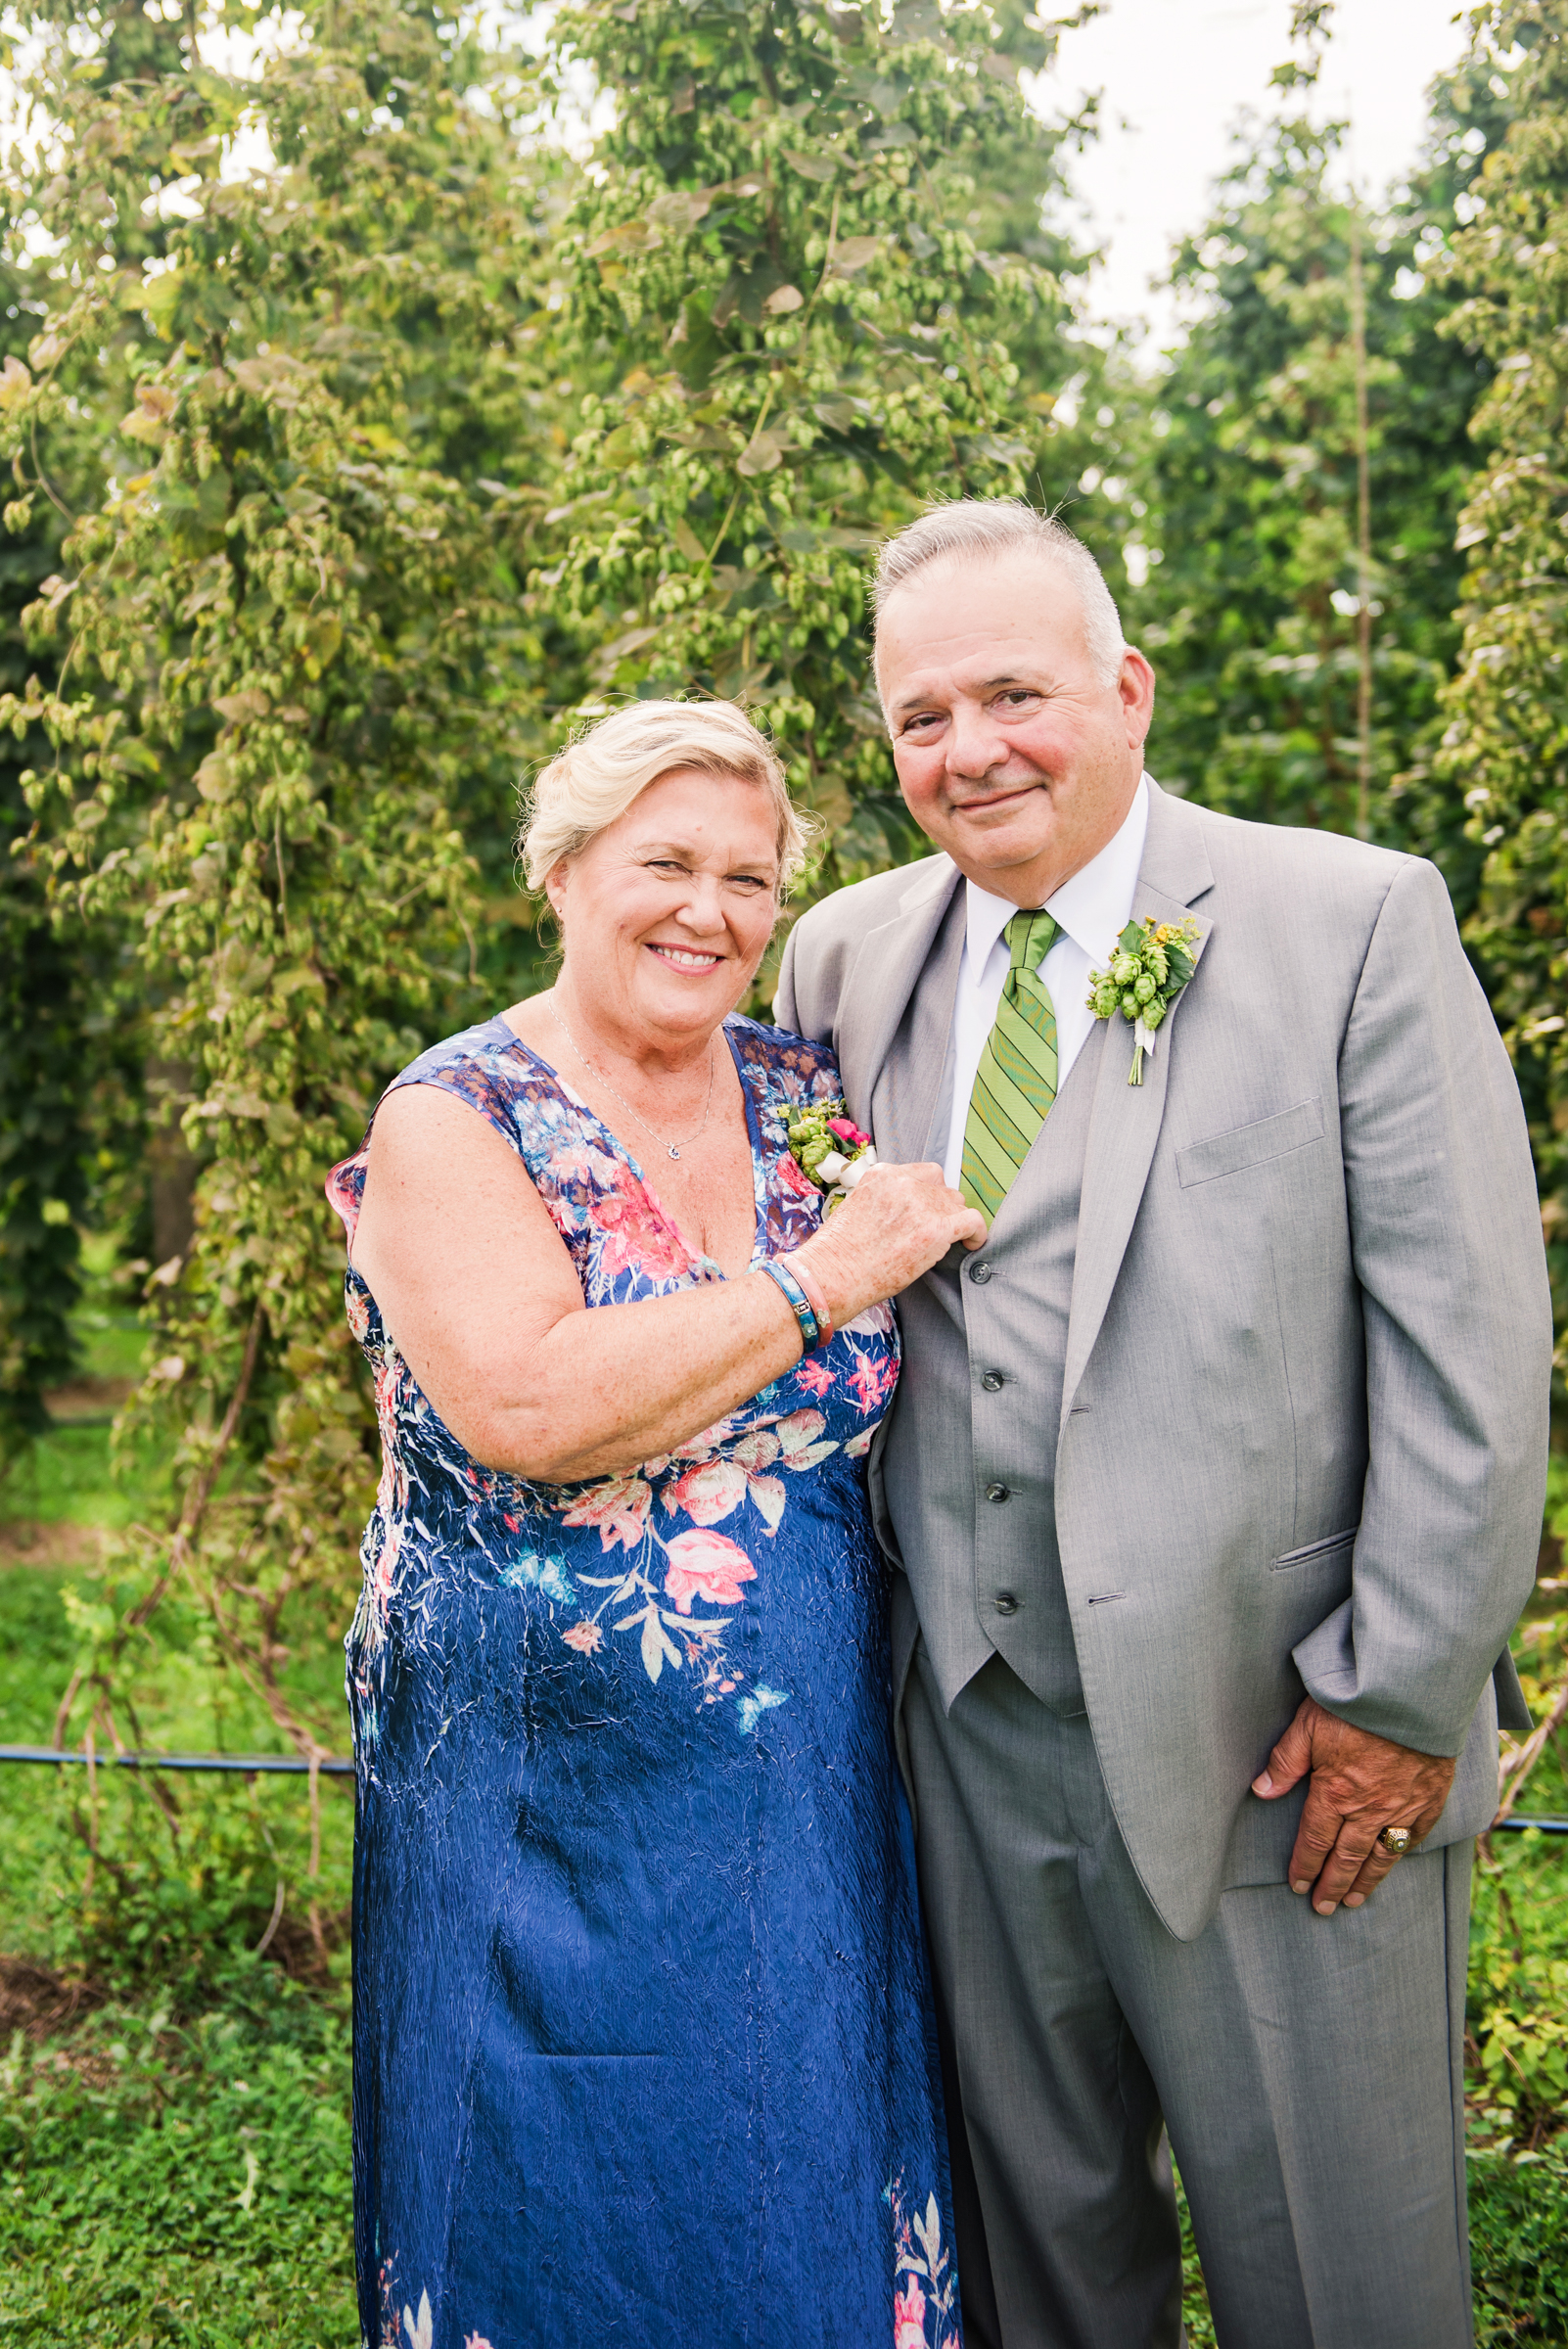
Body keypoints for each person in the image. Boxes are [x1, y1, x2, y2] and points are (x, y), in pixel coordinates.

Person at [774, 499, 1551, 2349]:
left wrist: (1393, 1699)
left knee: (1339, 2283)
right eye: (919, 719)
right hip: (959, 1742)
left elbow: (1469, 1348)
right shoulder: (840, 960)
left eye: (1013, 695)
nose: (970, 753)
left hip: (1279, 1748)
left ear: (1125, 690)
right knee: (1038, 2267)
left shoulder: (1349, 920)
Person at [326, 699, 985, 2349]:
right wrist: (821, 1278)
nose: (710, 911)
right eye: (665, 864)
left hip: (800, 1770)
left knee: (792, 2138)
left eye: (749, 881)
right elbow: (531, 1406)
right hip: (547, 1782)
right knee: (564, 2164)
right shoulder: (457, 1116)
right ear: (560, 871)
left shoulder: (797, 1089)